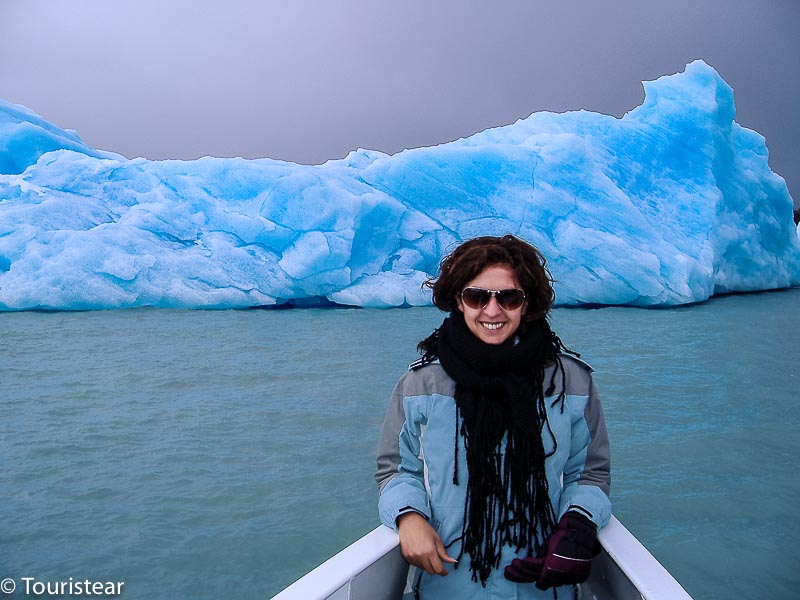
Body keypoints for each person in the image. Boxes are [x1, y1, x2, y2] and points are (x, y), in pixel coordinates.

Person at [375, 234, 611, 599]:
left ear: (527, 303)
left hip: (541, 586)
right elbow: (395, 468)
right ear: (458, 300)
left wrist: (578, 525)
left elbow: (590, 472)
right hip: (450, 583)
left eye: (509, 297)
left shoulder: (570, 380)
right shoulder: (422, 381)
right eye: (476, 296)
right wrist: (408, 516)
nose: (492, 310)